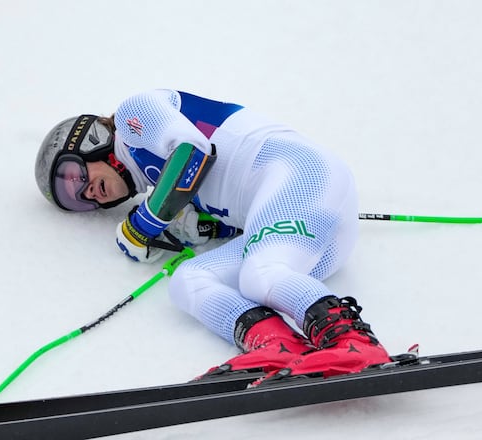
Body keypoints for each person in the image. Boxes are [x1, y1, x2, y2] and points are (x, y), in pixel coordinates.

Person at [34, 89, 392, 381]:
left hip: (301, 175)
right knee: (190, 279)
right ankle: (279, 347)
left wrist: (145, 224)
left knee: (260, 274)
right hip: (311, 239)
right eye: (74, 200)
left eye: (73, 176)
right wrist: (194, 228)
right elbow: (226, 215)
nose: (85, 194)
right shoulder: (159, 183)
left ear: (90, 140)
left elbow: (193, 152)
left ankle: (353, 341)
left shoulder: (134, 115)